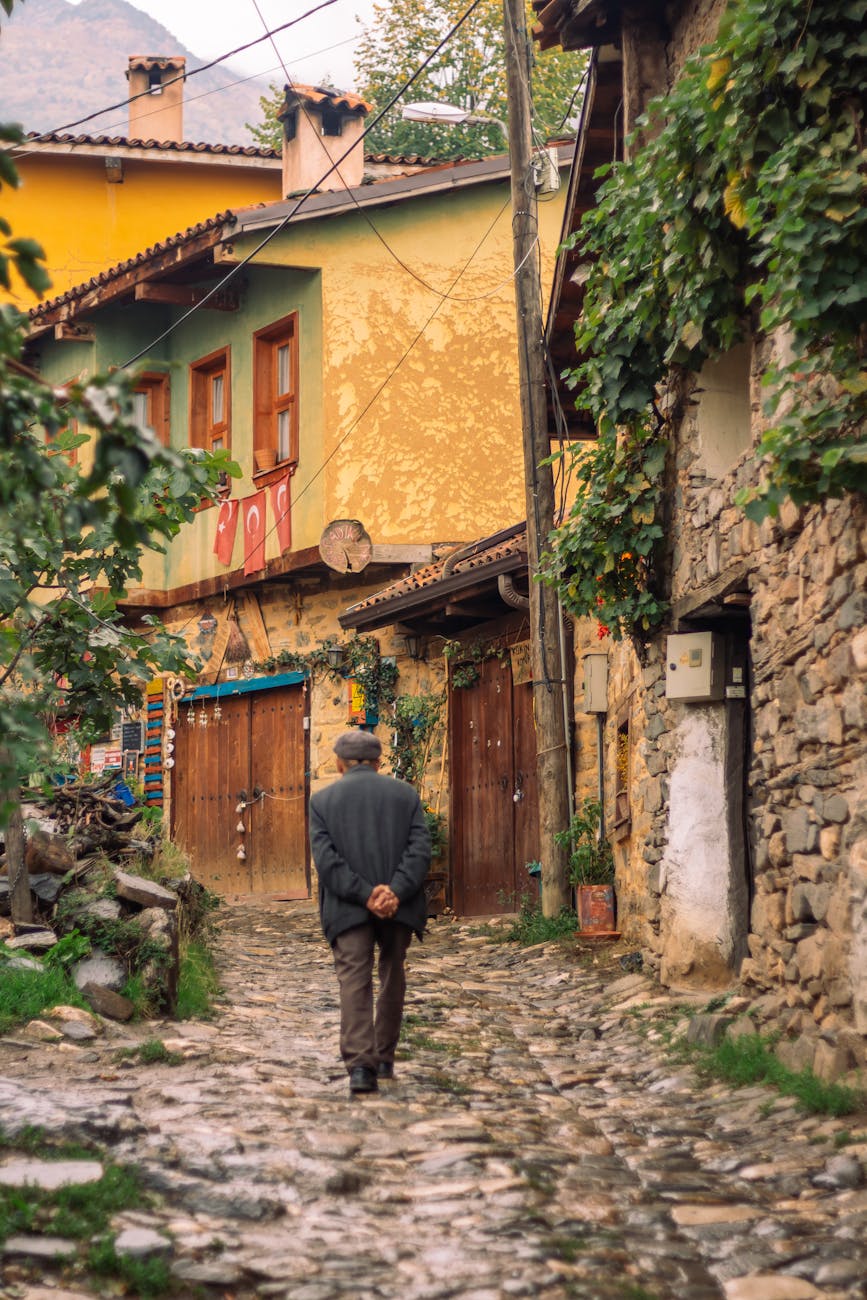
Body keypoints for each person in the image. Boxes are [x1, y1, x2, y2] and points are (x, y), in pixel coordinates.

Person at [309, 729, 431, 1095]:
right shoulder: (406, 796)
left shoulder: (322, 801)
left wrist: (365, 895)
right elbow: (420, 851)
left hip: (348, 908)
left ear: (338, 764)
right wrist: (394, 891)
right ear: (379, 763)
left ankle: (362, 1068)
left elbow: (327, 862)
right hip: (399, 905)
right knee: (393, 974)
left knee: (354, 979)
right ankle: (385, 1058)